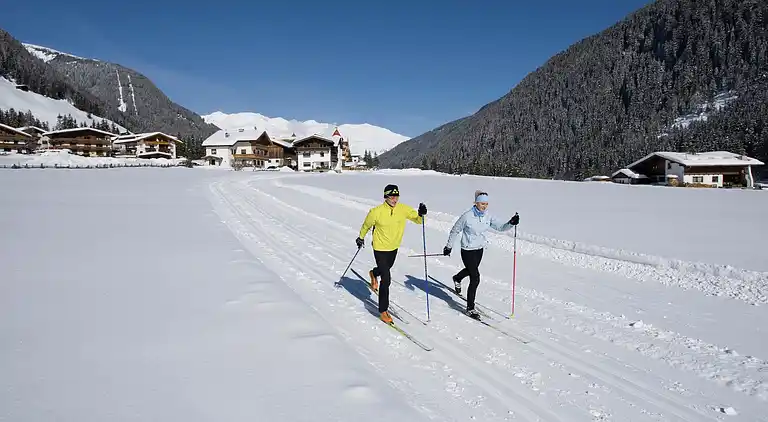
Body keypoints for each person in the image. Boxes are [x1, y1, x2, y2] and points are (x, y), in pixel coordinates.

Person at [356, 184, 427, 324]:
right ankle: (383, 310)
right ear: (386, 197)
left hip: (393, 248)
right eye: (392, 196)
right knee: (386, 279)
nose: (395, 199)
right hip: (380, 248)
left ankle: (373, 273)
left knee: (384, 270)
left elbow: (418, 221)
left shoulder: (403, 209)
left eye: (397, 196)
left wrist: (421, 214)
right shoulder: (376, 212)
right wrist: (361, 237)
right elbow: (366, 225)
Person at [443, 190, 519, 319]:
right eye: (482, 203)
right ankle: (470, 308)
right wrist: (449, 246)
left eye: (486, 204)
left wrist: (511, 223)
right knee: (475, 277)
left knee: (471, 270)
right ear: (476, 203)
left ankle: (457, 278)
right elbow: (455, 230)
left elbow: (500, 227)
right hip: (467, 249)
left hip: (479, 249)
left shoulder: (487, 216)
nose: (484, 206)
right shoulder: (467, 216)